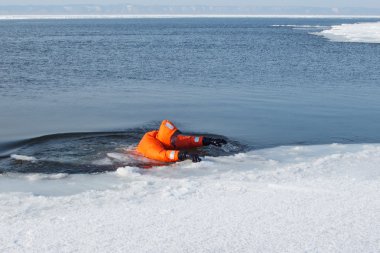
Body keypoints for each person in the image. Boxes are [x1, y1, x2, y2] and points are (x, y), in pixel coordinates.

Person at [136, 120, 226, 163]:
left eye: (175, 136)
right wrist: (186, 155)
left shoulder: (167, 138)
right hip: (139, 158)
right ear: (167, 137)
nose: (176, 139)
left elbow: (189, 140)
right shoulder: (150, 145)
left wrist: (209, 140)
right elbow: (163, 155)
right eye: (173, 137)